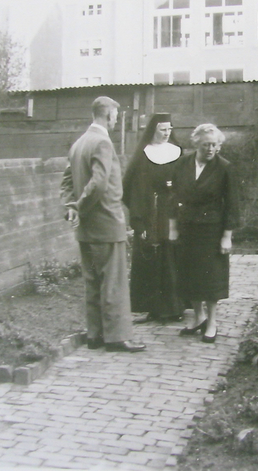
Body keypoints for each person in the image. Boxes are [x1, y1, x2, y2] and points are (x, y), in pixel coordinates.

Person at [60, 96, 146, 353]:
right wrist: (79, 207)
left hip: (86, 228)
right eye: (116, 116)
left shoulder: (78, 144)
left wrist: (71, 207)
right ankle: (117, 338)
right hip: (107, 223)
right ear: (108, 115)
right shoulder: (102, 142)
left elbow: (66, 182)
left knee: (93, 281)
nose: (117, 120)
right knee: (114, 282)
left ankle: (96, 335)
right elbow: (98, 183)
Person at [169, 123, 240, 343]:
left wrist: (227, 235)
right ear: (196, 144)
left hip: (212, 229)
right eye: (206, 145)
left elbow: (232, 204)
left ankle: (211, 322)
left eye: (215, 145)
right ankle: (198, 317)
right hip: (187, 227)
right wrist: (172, 227)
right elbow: (173, 196)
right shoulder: (182, 164)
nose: (210, 149)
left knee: (211, 278)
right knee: (190, 275)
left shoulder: (225, 167)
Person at [122, 113, 184, 324]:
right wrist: (139, 221)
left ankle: (176, 306)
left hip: (175, 212)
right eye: (162, 129)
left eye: (169, 129)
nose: (167, 133)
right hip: (152, 212)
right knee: (154, 256)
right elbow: (134, 188)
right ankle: (153, 308)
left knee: (173, 255)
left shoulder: (178, 152)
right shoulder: (144, 155)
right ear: (153, 130)